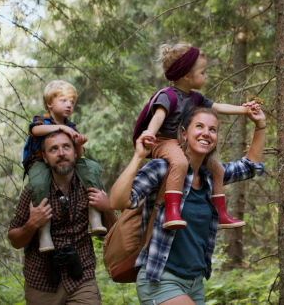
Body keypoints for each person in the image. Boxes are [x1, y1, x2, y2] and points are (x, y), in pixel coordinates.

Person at [110, 106, 267, 305]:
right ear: (184, 134)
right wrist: (138, 156)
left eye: (212, 129)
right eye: (199, 126)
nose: (206, 133)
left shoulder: (212, 178)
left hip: (195, 284)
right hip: (161, 280)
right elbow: (117, 201)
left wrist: (260, 125)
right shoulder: (162, 169)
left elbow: (249, 167)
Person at [138, 43, 260, 231]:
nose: (206, 76)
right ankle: (172, 212)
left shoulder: (195, 98)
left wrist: (245, 110)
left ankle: (221, 214)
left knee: (216, 168)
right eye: (203, 72)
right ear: (187, 75)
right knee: (179, 163)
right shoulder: (168, 95)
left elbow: (219, 107)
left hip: (182, 142)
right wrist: (150, 134)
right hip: (164, 141)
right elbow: (159, 116)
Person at [9, 131, 118, 304]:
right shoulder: (33, 192)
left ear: (75, 152)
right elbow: (14, 240)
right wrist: (32, 224)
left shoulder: (90, 185)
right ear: (45, 157)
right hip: (41, 282)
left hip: (82, 278)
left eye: (66, 147)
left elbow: (114, 233)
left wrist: (108, 209)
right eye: (54, 149)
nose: (61, 153)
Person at [23, 80, 106, 253]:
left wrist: (78, 144)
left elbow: (78, 156)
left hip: (64, 162)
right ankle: (44, 232)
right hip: (39, 163)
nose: (69, 105)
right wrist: (60, 127)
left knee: (91, 167)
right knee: (38, 185)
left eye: (71, 102)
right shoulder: (42, 120)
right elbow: (35, 131)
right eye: (63, 100)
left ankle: (94, 215)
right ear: (49, 103)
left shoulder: (70, 125)